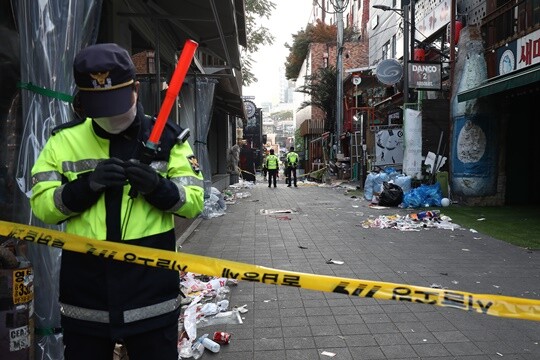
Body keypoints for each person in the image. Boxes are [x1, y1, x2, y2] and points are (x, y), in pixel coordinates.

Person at [29, 43, 204, 360]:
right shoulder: (62, 142)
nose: (111, 114)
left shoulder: (169, 140)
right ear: (82, 99)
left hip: (152, 298)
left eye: (117, 102)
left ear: (136, 89)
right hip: (86, 300)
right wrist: (84, 188)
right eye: (100, 106)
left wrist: (157, 188)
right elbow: (42, 207)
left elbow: (194, 203)